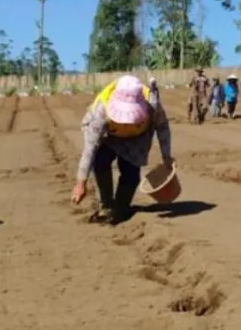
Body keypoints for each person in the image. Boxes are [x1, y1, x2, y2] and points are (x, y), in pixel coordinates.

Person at [71, 74, 173, 224]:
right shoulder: (101, 110)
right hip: (108, 136)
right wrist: (81, 183)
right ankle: (106, 204)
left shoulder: (152, 104)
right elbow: (89, 148)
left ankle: (121, 208)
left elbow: (162, 127)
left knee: (131, 173)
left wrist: (166, 157)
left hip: (137, 137)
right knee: (99, 163)